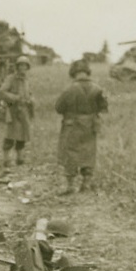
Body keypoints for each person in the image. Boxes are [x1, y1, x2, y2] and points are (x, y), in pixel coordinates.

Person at [54, 59, 108, 194]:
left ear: (73, 72)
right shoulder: (98, 88)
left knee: (71, 153)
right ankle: (86, 184)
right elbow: (104, 107)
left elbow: (59, 108)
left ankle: (70, 186)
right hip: (90, 125)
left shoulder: (69, 89)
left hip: (72, 125)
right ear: (87, 72)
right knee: (88, 152)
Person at [0, 54, 33, 169]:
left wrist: (30, 99)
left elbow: (29, 93)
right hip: (13, 110)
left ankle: (20, 157)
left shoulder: (26, 80)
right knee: (10, 135)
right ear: (17, 67)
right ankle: (7, 159)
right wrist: (15, 97)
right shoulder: (10, 78)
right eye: (21, 66)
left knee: (22, 135)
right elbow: (2, 92)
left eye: (25, 66)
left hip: (24, 110)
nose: (23, 68)